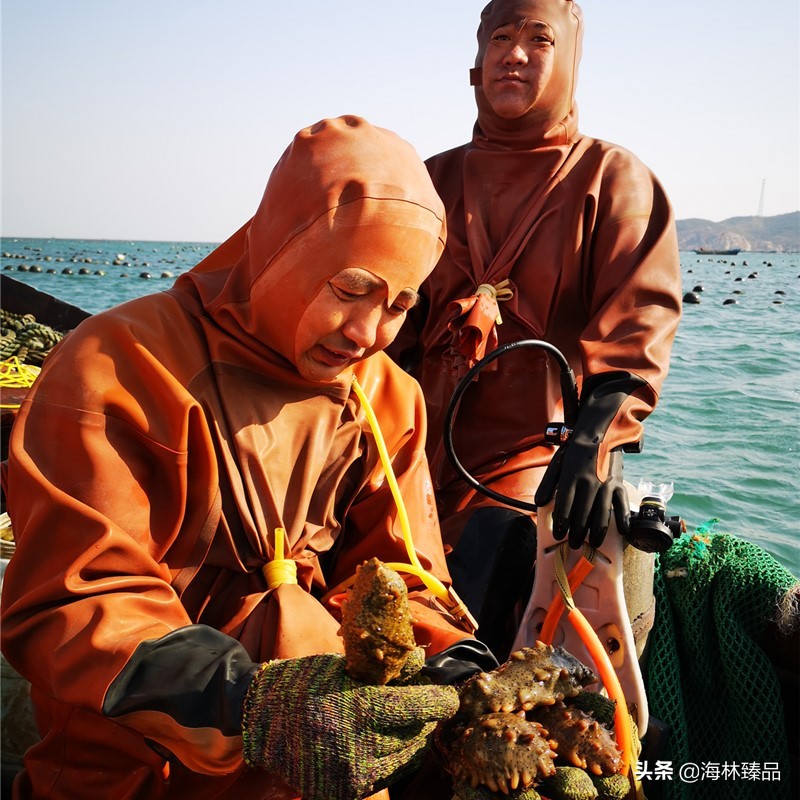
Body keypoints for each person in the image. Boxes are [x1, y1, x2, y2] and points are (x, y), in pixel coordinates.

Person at [0, 115, 497, 800]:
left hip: (322, 769)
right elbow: (78, 600)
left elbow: (401, 579)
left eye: (399, 305)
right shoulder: (115, 365)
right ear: (285, 247)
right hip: (131, 773)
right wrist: (247, 703)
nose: (367, 333)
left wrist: (461, 674)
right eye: (350, 288)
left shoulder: (388, 398)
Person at [388, 0, 683, 661]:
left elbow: (639, 327)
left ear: (570, 59)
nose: (514, 54)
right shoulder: (423, 181)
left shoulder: (612, 179)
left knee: (486, 578)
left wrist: (588, 443)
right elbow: (377, 326)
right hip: (414, 451)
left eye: (538, 39)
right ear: (477, 60)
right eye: (500, 38)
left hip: (537, 461)